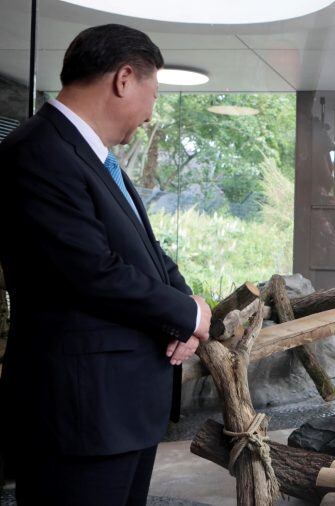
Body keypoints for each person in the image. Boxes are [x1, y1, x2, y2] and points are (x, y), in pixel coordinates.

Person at [0, 24, 212, 505]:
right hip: (79, 413)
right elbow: (92, 272)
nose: (151, 113)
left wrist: (184, 308)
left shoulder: (91, 157)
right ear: (123, 79)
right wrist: (189, 315)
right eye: (152, 95)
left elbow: (147, 250)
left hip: (117, 409)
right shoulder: (37, 153)